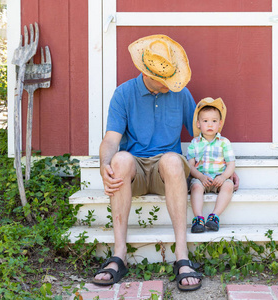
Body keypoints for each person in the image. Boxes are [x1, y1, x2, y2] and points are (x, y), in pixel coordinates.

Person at [92, 34, 238, 292]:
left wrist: (223, 168)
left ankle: (182, 257)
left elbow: (202, 135)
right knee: (120, 158)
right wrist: (105, 163)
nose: (171, 85)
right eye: (165, 81)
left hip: (166, 172)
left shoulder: (179, 93)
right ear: (148, 74)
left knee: (172, 160)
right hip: (134, 170)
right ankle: (119, 255)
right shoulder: (124, 94)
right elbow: (111, 139)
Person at [187, 97, 235, 233]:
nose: (210, 125)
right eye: (205, 121)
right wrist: (200, 177)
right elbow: (190, 165)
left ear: (219, 124)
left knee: (229, 186)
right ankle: (198, 218)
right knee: (195, 186)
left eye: (214, 121)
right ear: (198, 124)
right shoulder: (194, 143)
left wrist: (224, 176)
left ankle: (214, 217)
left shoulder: (224, 142)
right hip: (202, 178)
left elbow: (231, 164)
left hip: (219, 178)